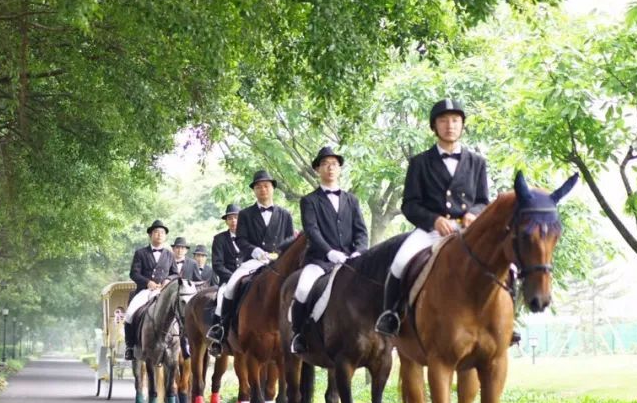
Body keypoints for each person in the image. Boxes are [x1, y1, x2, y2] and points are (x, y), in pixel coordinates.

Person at [374, 99, 490, 336]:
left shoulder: (477, 162)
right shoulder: (420, 162)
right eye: (444, 120)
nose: (450, 125)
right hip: (431, 230)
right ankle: (391, 315)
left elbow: (483, 201)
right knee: (399, 262)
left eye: (455, 120)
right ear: (434, 126)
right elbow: (410, 204)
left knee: (501, 260)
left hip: (467, 229)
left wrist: (473, 214)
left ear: (462, 125)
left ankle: (506, 319)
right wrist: (434, 220)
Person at [290, 146, 369, 354]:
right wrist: (329, 252)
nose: (330, 168)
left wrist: (359, 251)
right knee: (303, 289)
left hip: (351, 260)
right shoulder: (309, 201)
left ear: (339, 168)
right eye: (325, 164)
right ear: (318, 169)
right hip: (320, 261)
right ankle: (299, 334)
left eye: (334, 164)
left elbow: (361, 231)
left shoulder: (351, 200)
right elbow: (312, 231)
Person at [206, 171, 295, 355]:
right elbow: (240, 239)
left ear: (272, 188)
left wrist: (280, 256)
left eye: (266, 186)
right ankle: (221, 328)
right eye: (258, 187)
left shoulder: (285, 214)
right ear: (254, 190)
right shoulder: (246, 214)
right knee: (230, 286)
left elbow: (290, 241)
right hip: (254, 261)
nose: (263, 189)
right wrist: (255, 251)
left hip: (278, 262)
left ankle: (299, 331)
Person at [123, 220, 173, 360]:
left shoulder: (169, 254)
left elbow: (175, 273)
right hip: (144, 291)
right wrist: (147, 283)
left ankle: (178, 344)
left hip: (163, 292)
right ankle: (130, 346)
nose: (159, 235)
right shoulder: (140, 253)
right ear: (150, 235)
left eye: (162, 233)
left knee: (179, 310)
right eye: (156, 232)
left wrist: (168, 280)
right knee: (130, 314)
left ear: (165, 236)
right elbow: (134, 273)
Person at [211, 204, 242, 286]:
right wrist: (233, 277)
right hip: (227, 281)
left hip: (248, 279)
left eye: (236, 217)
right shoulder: (219, 239)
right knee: (222, 294)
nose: (233, 221)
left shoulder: (250, 237)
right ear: (226, 221)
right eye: (230, 218)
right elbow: (217, 265)